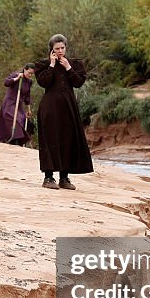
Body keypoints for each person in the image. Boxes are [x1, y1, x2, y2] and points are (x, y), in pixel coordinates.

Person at [34, 33, 93, 189]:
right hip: (49, 108)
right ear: (51, 50)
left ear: (66, 48)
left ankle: (64, 178)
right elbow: (44, 83)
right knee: (50, 139)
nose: (60, 51)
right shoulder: (43, 65)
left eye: (62, 48)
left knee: (68, 140)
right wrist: (52, 65)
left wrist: (68, 67)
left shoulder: (75, 64)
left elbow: (78, 83)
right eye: (56, 48)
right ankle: (48, 177)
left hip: (68, 108)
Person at [0, 64, 35, 146]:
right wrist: (16, 79)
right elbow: (6, 83)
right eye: (29, 73)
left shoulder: (29, 82)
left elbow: (27, 97)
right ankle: (14, 139)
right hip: (10, 102)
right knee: (15, 118)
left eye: (32, 74)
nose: (30, 75)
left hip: (19, 104)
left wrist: (28, 109)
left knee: (22, 119)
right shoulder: (16, 75)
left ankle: (17, 140)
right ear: (25, 70)